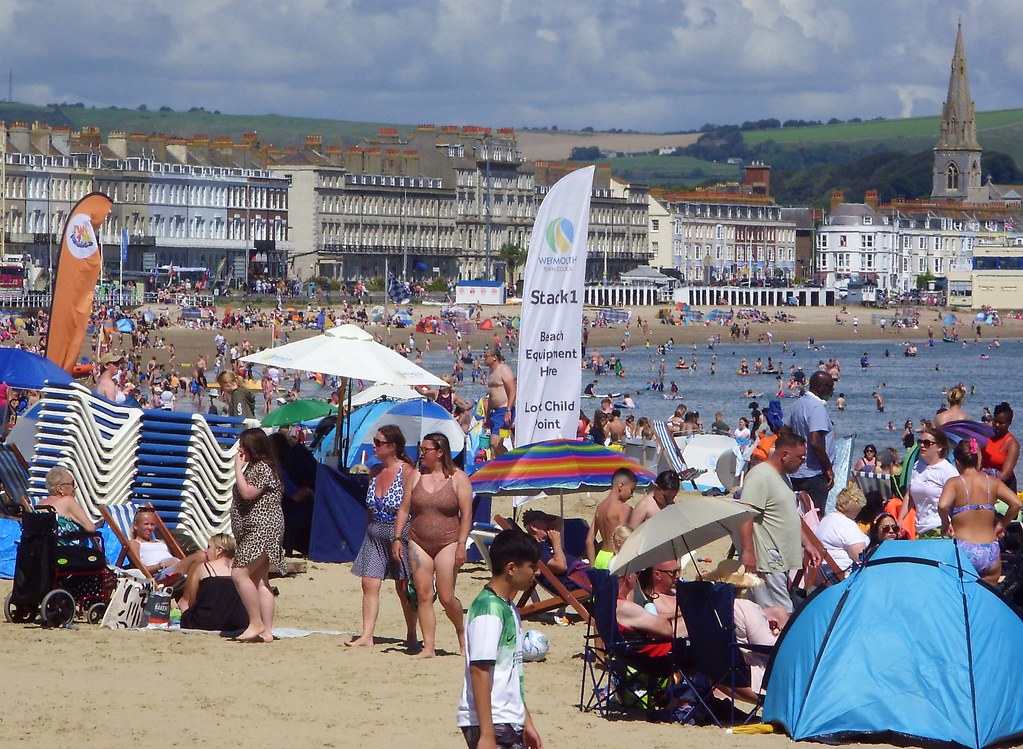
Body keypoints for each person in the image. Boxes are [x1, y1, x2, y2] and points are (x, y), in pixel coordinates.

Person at [456, 529, 543, 749]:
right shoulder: (489, 609)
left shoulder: (508, 606)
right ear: (511, 568)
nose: (536, 572)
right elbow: (479, 670)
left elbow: (512, 673)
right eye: (532, 566)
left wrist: (526, 721)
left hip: (507, 718)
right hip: (492, 721)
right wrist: (486, 734)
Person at [393, 432, 473, 659]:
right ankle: (429, 647)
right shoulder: (416, 475)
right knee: (423, 595)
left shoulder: (458, 478)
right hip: (418, 541)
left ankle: (461, 631)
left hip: (448, 541)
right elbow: (404, 509)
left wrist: (461, 544)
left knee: (447, 597)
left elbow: (466, 515)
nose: (421, 453)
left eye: (425, 450)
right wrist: (397, 538)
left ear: (439, 452)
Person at [347, 424, 419, 649]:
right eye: (375, 442)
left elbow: (412, 508)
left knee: (403, 587)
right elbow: (370, 508)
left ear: (393, 446)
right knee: (368, 582)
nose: (374, 446)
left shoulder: (407, 472)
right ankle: (367, 635)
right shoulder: (375, 471)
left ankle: (412, 632)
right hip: (375, 532)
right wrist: (368, 530)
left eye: (379, 443)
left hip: (400, 534)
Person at [736, 431, 820, 613]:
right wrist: (748, 552)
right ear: (784, 455)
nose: (803, 462)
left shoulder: (783, 478)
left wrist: (807, 544)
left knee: (771, 613)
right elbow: (745, 514)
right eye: (800, 457)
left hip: (780, 559)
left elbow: (789, 515)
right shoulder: (760, 476)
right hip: (767, 559)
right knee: (781, 613)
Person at [230, 427, 287, 643]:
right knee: (260, 580)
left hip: (262, 528)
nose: (239, 450)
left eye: (242, 446)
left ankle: (256, 623)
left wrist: (237, 468)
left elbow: (247, 493)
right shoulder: (259, 467)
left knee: (239, 573)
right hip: (260, 528)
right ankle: (267, 631)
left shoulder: (262, 467)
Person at [939, 438, 1021, 583]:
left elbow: (943, 505)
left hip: (964, 549)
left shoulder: (954, 483)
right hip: (989, 549)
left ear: (957, 462)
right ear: (978, 459)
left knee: (960, 593)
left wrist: (946, 523)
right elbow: (1016, 503)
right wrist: (1002, 524)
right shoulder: (992, 481)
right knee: (987, 594)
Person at [706, 560, 779, 701]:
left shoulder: (709, 605)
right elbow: (766, 645)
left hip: (715, 668)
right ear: (743, 586)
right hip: (748, 674)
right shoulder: (745, 607)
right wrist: (779, 636)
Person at [785, 371, 836, 513]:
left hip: (797, 472)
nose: (832, 390)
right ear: (819, 387)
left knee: (799, 516)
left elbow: (784, 431)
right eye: (830, 386)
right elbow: (815, 442)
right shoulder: (817, 407)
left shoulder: (798, 404)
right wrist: (828, 468)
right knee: (815, 518)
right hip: (814, 474)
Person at [178, 533, 248, 632]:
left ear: (219, 551)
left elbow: (192, 602)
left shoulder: (203, 568)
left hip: (206, 622)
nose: (206, 551)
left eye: (209, 547)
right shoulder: (243, 569)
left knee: (186, 613)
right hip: (238, 623)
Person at [900, 427, 958, 539]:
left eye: (927, 443)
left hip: (940, 528)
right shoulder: (917, 466)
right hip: (920, 528)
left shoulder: (948, 471)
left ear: (939, 447)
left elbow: (958, 500)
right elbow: (909, 495)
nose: (922, 445)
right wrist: (900, 519)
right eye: (920, 442)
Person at [585, 467, 638, 569]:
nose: (632, 495)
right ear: (621, 486)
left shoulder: (600, 507)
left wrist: (592, 567)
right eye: (631, 490)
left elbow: (589, 541)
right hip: (614, 558)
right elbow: (622, 539)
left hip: (601, 557)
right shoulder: (624, 508)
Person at [814, 486, 869, 574]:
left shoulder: (827, 519)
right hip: (844, 574)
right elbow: (861, 557)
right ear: (856, 507)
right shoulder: (846, 524)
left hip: (825, 572)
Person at [38, 466, 96, 543]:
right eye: (72, 483)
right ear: (60, 488)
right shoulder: (68, 501)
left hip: (41, 548)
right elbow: (91, 528)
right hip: (66, 549)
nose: (75, 487)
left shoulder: (40, 503)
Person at [484, 349, 516, 457]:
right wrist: (487, 416)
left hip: (503, 410)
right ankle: (504, 464)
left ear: (494, 357)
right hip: (494, 412)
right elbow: (491, 395)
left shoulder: (503, 369)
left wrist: (508, 410)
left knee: (495, 443)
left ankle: (511, 461)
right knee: (493, 447)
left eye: (486, 356)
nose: (484, 359)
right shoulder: (492, 372)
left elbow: (512, 391)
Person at [983, 402, 1019, 493]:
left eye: (1001, 423)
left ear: (1009, 423)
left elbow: (1004, 476)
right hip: (983, 482)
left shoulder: (1012, 444)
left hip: (1004, 487)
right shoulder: (985, 435)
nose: (997, 425)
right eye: (996, 421)